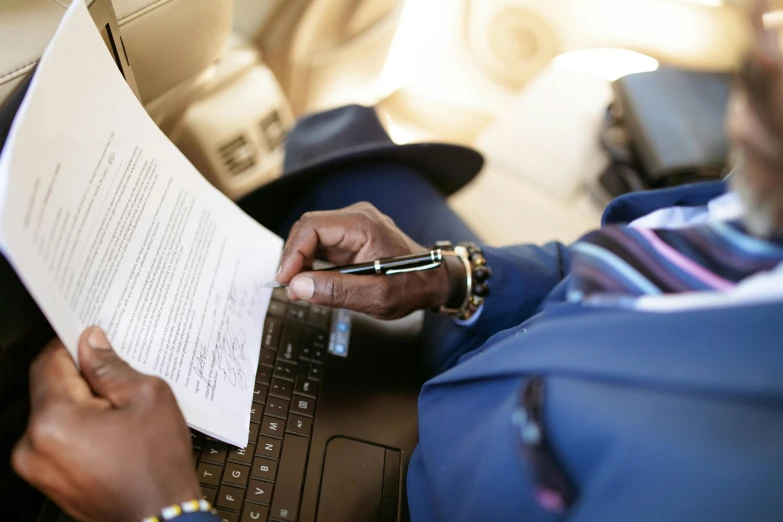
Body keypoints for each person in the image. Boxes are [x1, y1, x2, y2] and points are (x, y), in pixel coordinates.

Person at [11, 2, 783, 521]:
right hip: (497, 373)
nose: (766, 44)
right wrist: (448, 275)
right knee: (358, 161)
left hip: (431, 498)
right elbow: (609, 263)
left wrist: (166, 506)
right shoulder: (756, 191)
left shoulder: (734, 481)